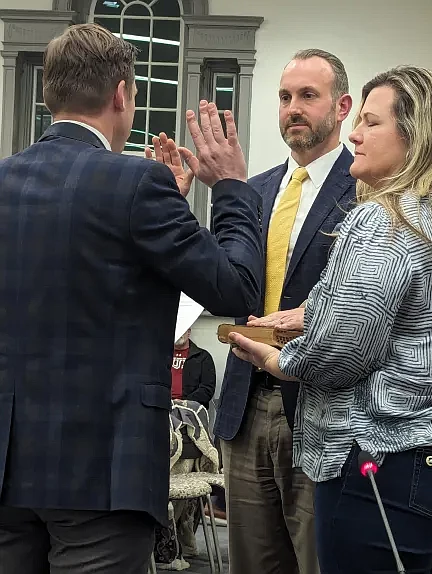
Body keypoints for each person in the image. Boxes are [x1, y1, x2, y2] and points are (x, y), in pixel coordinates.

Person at [0, 23, 263, 574]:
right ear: (121, 94)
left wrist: (163, 205)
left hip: (8, 466)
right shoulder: (138, 186)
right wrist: (233, 190)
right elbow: (236, 286)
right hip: (101, 469)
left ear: (50, 92)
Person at [229, 65, 432, 574]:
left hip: (387, 465)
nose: (353, 133)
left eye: (372, 123)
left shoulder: (384, 217)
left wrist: (276, 357)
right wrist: (314, 314)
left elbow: (337, 357)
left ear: (417, 137)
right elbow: (413, 314)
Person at [214, 49, 356, 574]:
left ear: (341, 106)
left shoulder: (366, 190)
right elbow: (227, 289)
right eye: (284, 97)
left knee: (319, 561)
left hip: (322, 408)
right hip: (246, 403)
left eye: (308, 96)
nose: (293, 109)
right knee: (252, 563)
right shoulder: (253, 192)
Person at [171, 329, 216, 409]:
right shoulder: (160, 356)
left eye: (182, 329)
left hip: (190, 410)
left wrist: (184, 403)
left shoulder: (203, 357)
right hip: (162, 407)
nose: (178, 333)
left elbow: (207, 389)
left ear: (188, 332)